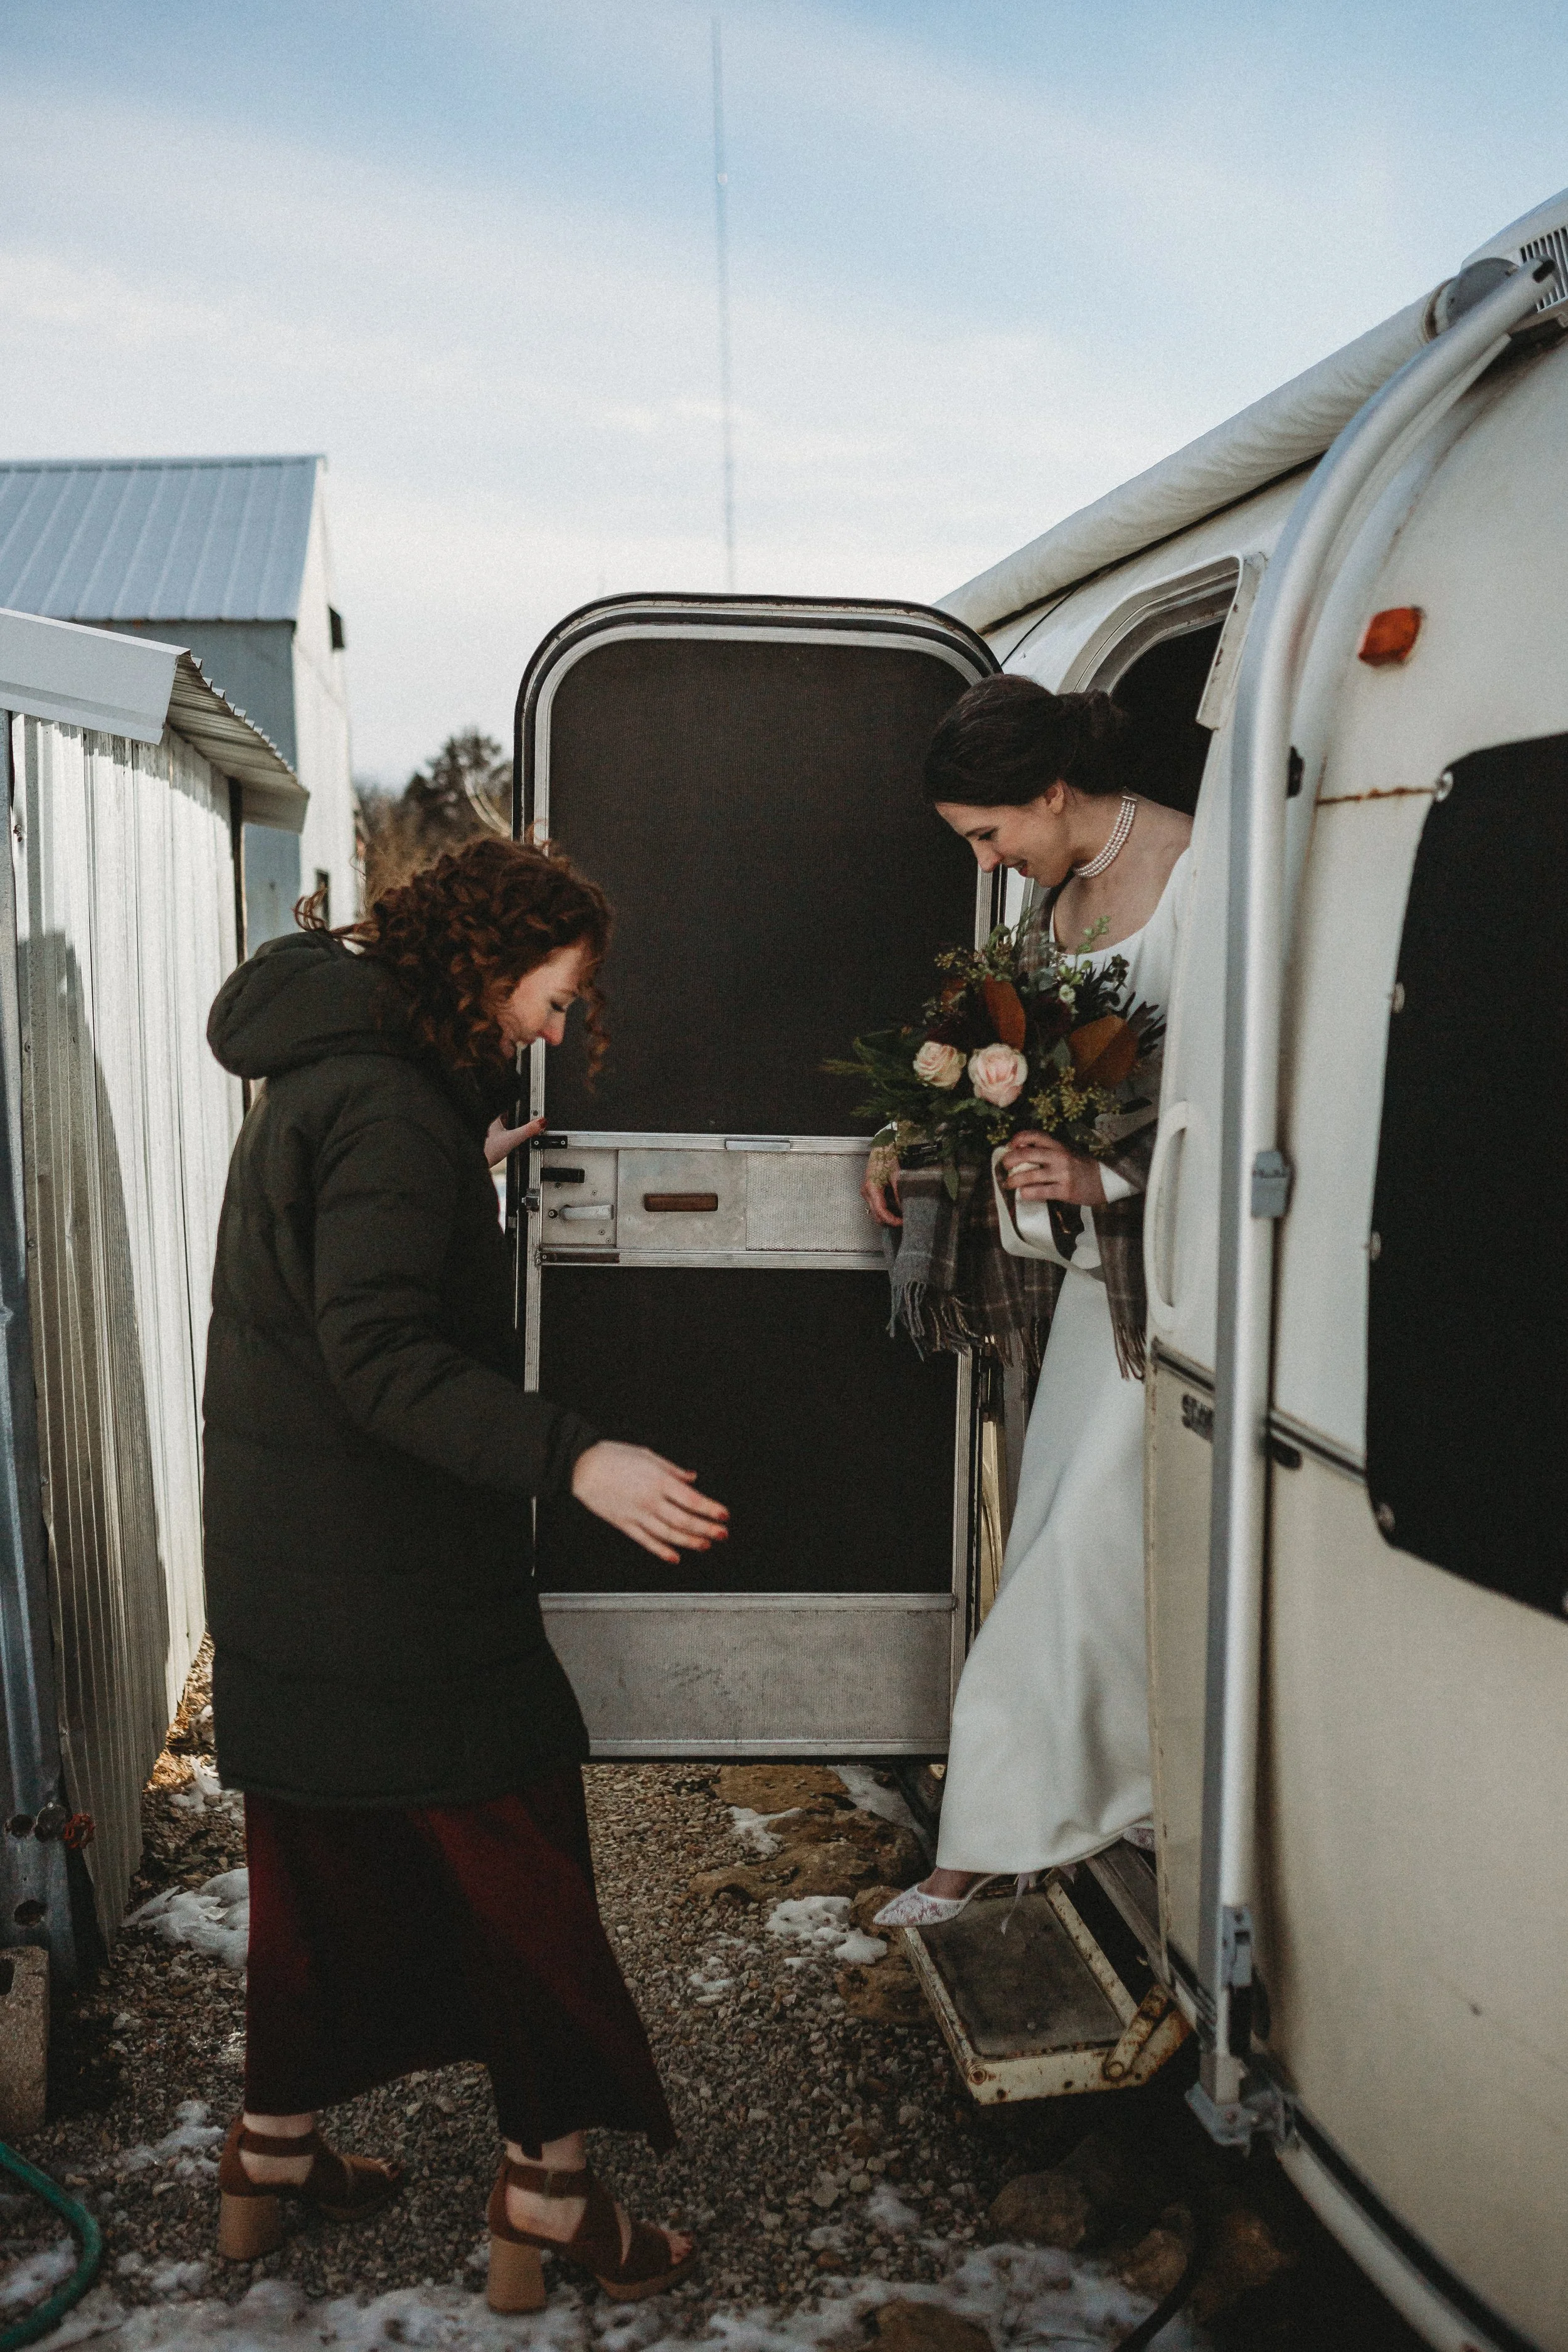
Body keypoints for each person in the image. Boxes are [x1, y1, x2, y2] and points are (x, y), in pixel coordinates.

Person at [202, 836, 727, 2310]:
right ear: (488, 967)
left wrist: (457, 1156)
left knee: (318, 1863)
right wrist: (577, 1458)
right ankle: (549, 2198)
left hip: (294, 1570)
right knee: (523, 1873)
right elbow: (380, 1356)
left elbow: (343, 1270)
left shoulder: (353, 1070)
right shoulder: (389, 1109)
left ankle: (269, 2156)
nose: (557, 1032)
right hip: (392, 1580)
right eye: (553, 1001)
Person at [863, 677, 1192, 1924]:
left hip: (1175, 1293)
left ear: (1051, 793)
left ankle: (981, 1844)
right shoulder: (1049, 895)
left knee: (1066, 1560)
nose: (986, 860)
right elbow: (1001, 1034)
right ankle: (1115, 1792)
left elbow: (1254, 1090)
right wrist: (922, 1124)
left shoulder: (1202, 873)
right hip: (1086, 1291)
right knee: (1086, 1553)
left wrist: (1103, 1169)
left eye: (987, 834)